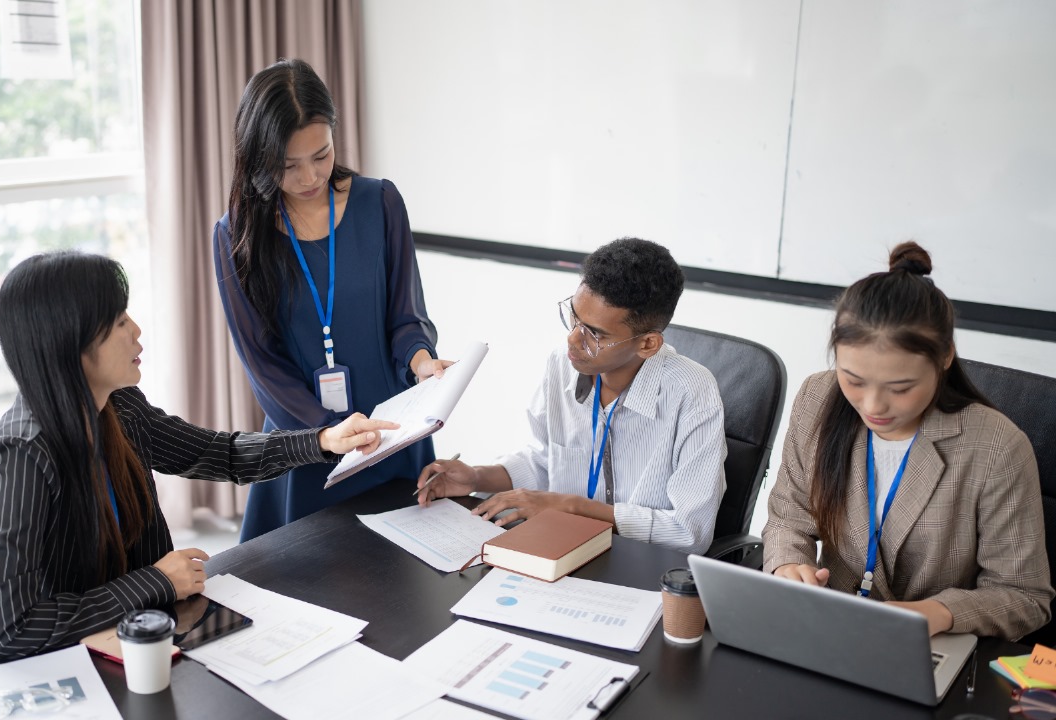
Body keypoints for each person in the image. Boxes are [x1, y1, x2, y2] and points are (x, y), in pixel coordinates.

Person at [0, 251, 394, 660]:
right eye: (119, 322)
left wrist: (323, 440)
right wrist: (154, 582)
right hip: (73, 667)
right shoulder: (24, 454)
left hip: (143, 637)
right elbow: (10, 627)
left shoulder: (118, 406)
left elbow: (220, 453)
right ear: (71, 343)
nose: (136, 331)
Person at [762, 242, 1052, 640]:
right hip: (826, 629)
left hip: (927, 645)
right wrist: (787, 564)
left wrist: (937, 613)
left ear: (945, 356)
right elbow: (788, 516)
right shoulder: (817, 399)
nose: (872, 405)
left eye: (900, 388)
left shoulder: (996, 447)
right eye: (854, 380)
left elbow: (1024, 595)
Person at [213, 58, 451, 541]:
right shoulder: (236, 235)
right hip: (306, 441)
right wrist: (324, 433)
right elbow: (264, 365)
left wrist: (422, 360)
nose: (309, 177)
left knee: (408, 590)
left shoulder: (379, 202)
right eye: (287, 165)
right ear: (258, 157)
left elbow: (405, 315)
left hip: (390, 430)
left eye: (321, 155)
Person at [416, 238, 727, 554]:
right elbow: (545, 461)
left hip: (642, 565)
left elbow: (690, 533)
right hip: (562, 548)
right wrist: (476, 477)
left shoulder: (692, 392)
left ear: (647, 344)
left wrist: (571, 507)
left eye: (595, 334)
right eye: (575, 317)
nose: (573, 339)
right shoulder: (561, 364)